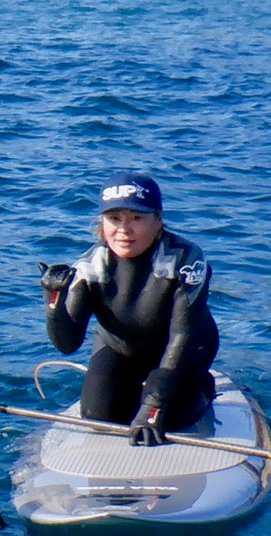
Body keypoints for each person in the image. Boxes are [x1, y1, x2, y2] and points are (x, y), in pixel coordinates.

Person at [41, 172, 220, 446]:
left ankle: (204, 387)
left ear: (158, 221)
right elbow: (67, 344)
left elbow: (184, 335)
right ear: (102, 222)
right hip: (120, 349)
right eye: (114, 219)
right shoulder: (90, 266)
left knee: (174, 418)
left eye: (136, 218)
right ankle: (141, 390)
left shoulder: (185, 259)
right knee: (98, 417)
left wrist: (154, 407)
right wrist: (53, 299)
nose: (124, 230)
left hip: (185, 350)